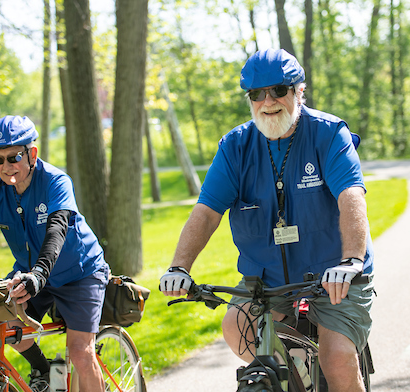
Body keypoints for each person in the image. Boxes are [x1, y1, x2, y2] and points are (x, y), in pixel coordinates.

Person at [160, 48, 375, 392]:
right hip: (266, 281)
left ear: (298, 91)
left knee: (335, 358)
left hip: (333, 277)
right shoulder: (235, 147)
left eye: (278, 90)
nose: (268, 101)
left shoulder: (329, 134)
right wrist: (179, 267)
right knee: (237, 329)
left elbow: (352, 197)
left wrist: (351, 261)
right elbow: (207, 211)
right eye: (257, 94)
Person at [0, 116, 109, 392]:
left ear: (32, 154)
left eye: (13, 157)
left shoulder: (55, 181)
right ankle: (43, 368)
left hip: (80, 273)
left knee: (80, 353)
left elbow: (57, 230)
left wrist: (38, 275)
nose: (6, 166)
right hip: (29, 273)